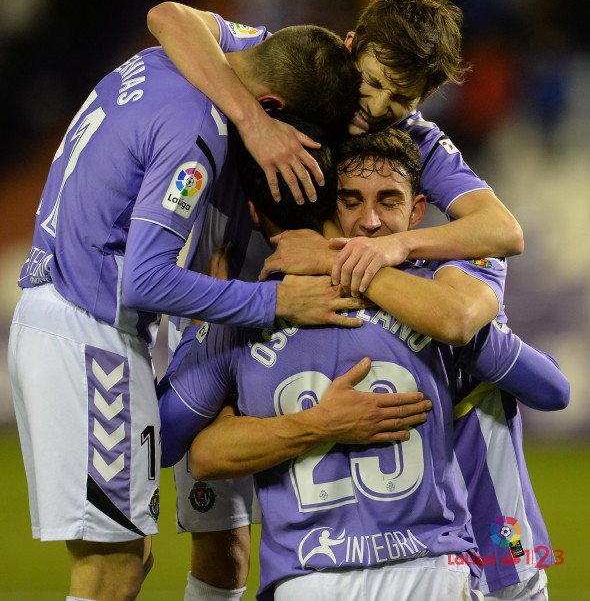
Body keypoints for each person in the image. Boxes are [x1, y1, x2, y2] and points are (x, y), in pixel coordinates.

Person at [7, 23, 377, 601]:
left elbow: (174, 15)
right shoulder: (195, 132)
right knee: (111, 571)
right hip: (90, 334)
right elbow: (145, 280)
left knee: (128, 559)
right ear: (272, 108)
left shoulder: (168, 61)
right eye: (294, 133)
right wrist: (274, 301)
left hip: (63, 314)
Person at [157, 128, 568, 600]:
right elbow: (551, 387)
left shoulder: (249, 315)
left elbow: (169, 442)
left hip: (381, 565)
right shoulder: (440, 303)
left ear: (418, 210)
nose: (370, 222)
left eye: (388, 201)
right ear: (330, 207)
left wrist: (210, 312)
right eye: (351, 201)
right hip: (427, 568)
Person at [147, 0, 525, 297]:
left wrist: (398, 245)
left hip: (306, 325)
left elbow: (503, 230)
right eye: (373, 81)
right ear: (350, 45)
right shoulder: (296, 66)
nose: (376, 107)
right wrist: (255, 122)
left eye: (400, 98)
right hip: (214, 296)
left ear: (423, 99)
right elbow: (168, 18)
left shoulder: (417, 140)